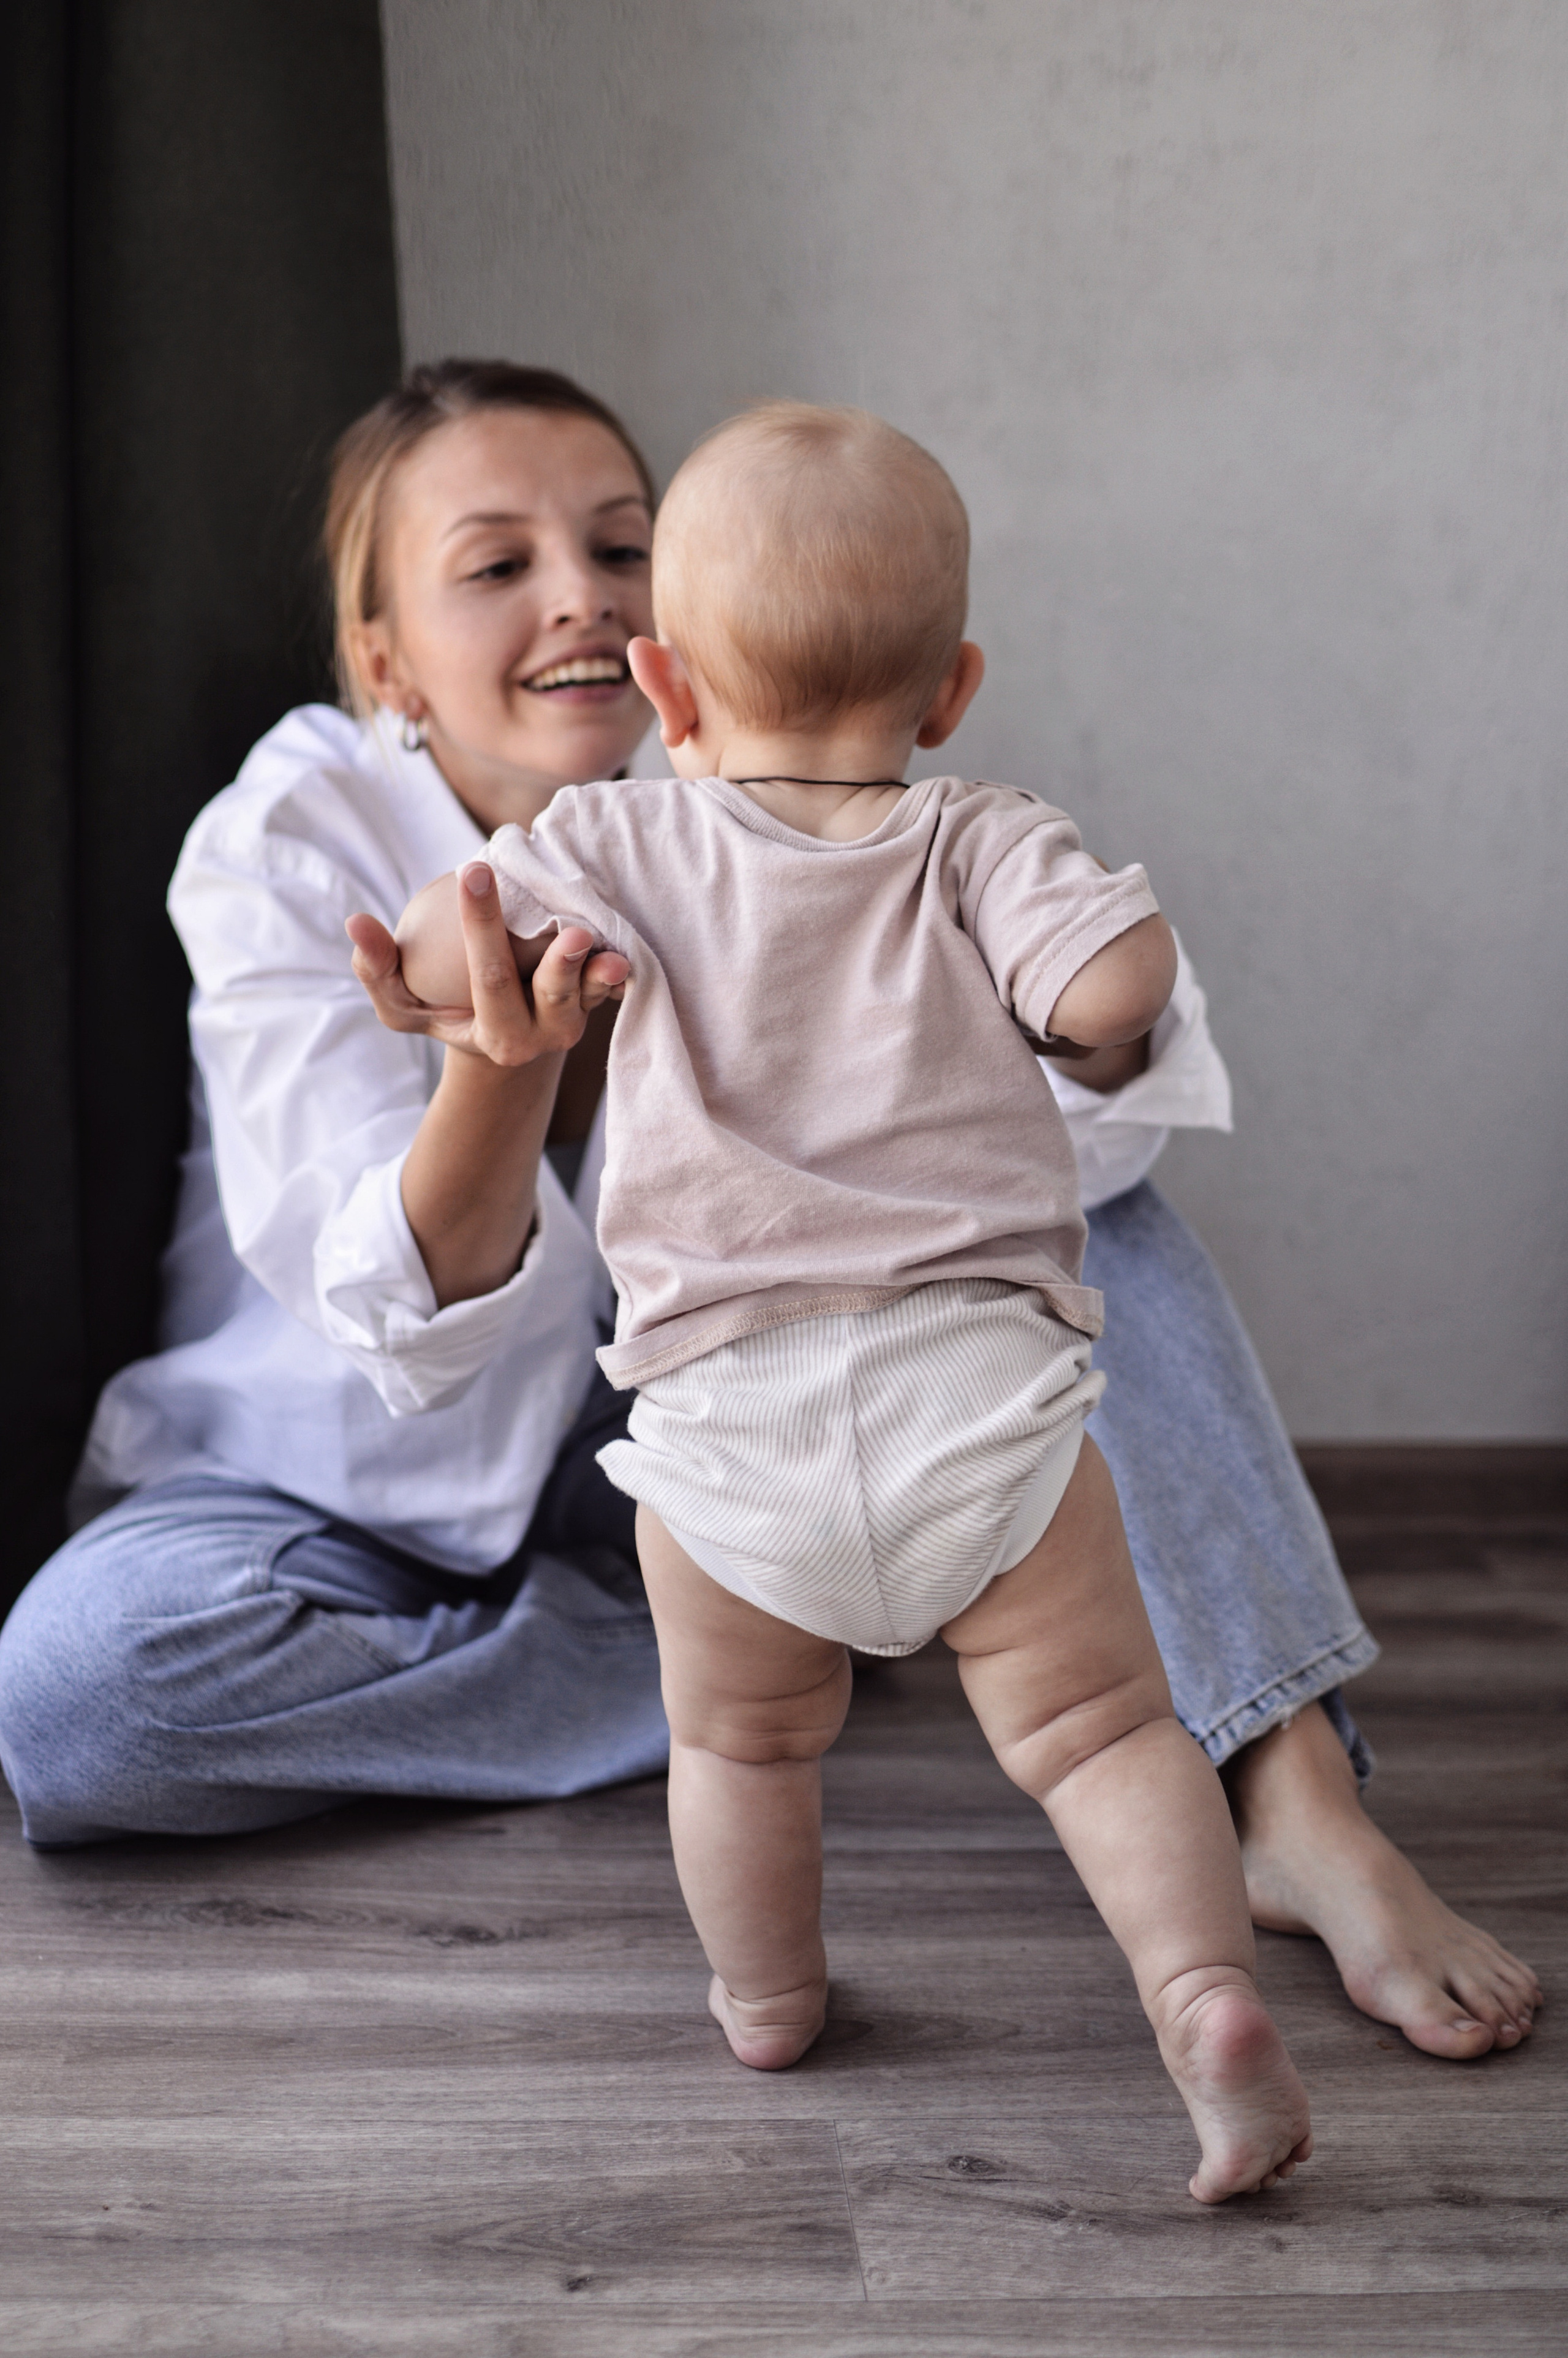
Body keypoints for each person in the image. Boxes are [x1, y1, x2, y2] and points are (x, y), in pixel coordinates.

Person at [0, 361, 1537, 2072]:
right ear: (383, 667)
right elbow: (377, 1304)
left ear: (687, 631)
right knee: (84, 1698)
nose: (579, 590)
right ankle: (814, 1637)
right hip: (354, 1473)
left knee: (1102, 1231)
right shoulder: (307, 832)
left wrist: (1008, 1022)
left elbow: (1105, 1108)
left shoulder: (839, 822)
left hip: (756, 1394)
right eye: (497, 563)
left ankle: (1297, 1794)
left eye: (622, 545)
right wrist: (501, 1075)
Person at [396, 401, 1314, 2202]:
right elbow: (1117, 983)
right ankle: (1201, 1991)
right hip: (979, 1387)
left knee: (739, 1739)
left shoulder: (617, 841)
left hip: (731, 1416)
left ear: (664, 688)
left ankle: (767, 1989)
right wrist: (1086, 979)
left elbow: (451, 948)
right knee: (1105, 1728)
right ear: (953, 686)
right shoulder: (977, 832)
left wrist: (459, 967)